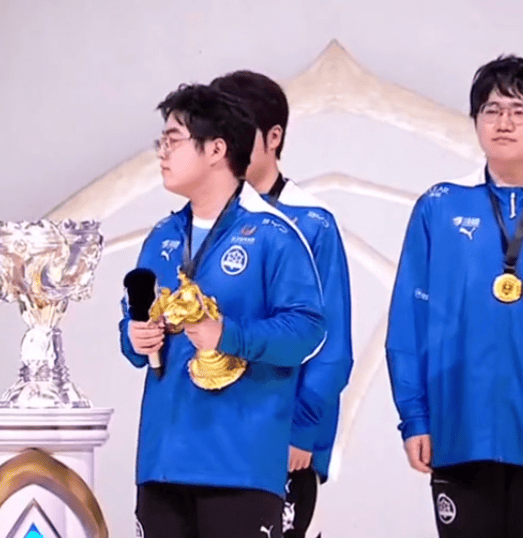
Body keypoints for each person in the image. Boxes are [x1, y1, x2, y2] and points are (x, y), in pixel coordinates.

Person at [120, 83, 326, 538]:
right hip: (162, 463)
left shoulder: (274, 234)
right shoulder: (163, 235)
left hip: (239, 465)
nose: (162, 153)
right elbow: (132, 319)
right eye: (161, 141)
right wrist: (134, 337)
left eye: (173, 140)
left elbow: (309, 329)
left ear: (216, 149)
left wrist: (229, 335)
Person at [387, 55, 523, 537]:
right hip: (460, 432)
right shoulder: (440, 206)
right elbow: (409, 323)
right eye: (492, 110)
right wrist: (415, 417)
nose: (504, 122)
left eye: (520, 111)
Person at [211, 70, 353, 538]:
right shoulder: (197, 225)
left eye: (237, 132)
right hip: (206, 442)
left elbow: (331, 346)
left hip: (280, 443)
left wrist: (302, 429)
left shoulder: (311, 224)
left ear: (273, 137)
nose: (222, 147)